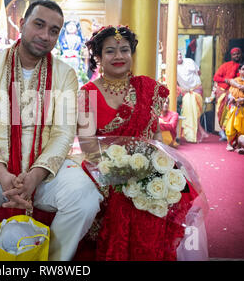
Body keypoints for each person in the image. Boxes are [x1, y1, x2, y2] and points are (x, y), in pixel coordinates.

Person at [0, 0, 103, 261]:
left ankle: (53, 262)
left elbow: (62, 134)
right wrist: (2, 174)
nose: (46, 35)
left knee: (86, 198)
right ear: (22, 24)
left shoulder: (64, 74)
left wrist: (34, 176)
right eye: (39, 24)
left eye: (54, 30)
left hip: (46, 171)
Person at [77, 25, 203, 260]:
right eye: (110, 51)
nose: (118, 56)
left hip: (148, 167)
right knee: (123, 206)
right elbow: (89, 147)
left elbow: (155, 136)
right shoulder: (87, 93)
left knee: (175, 190)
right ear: (98, 57)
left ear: (131, 54)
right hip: (102, 171)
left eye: (124, 50)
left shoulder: (147, 88)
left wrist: (157, 167)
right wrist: (120, 175)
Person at [176, 50, 207, 143]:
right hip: (187, 92)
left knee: (196, 111)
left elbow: (199, 72)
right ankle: (199, 133)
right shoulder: (173, 67)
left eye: (180, 53)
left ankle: (200, 132)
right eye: (177, 54)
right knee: (190, 112)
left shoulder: (189, 61)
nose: (179, 55)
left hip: (197, 89)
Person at [213, 47, 242, 140]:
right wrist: (226, 80)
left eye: (238, 54)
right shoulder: (225, 65)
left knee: (231, 112)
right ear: (231, 56)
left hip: (234, 93)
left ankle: (230, 133)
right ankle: (222, 131)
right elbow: (216, 77)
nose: (236, 56)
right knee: (221, 111)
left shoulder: (243, 67)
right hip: (222, 91)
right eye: (234, 54)